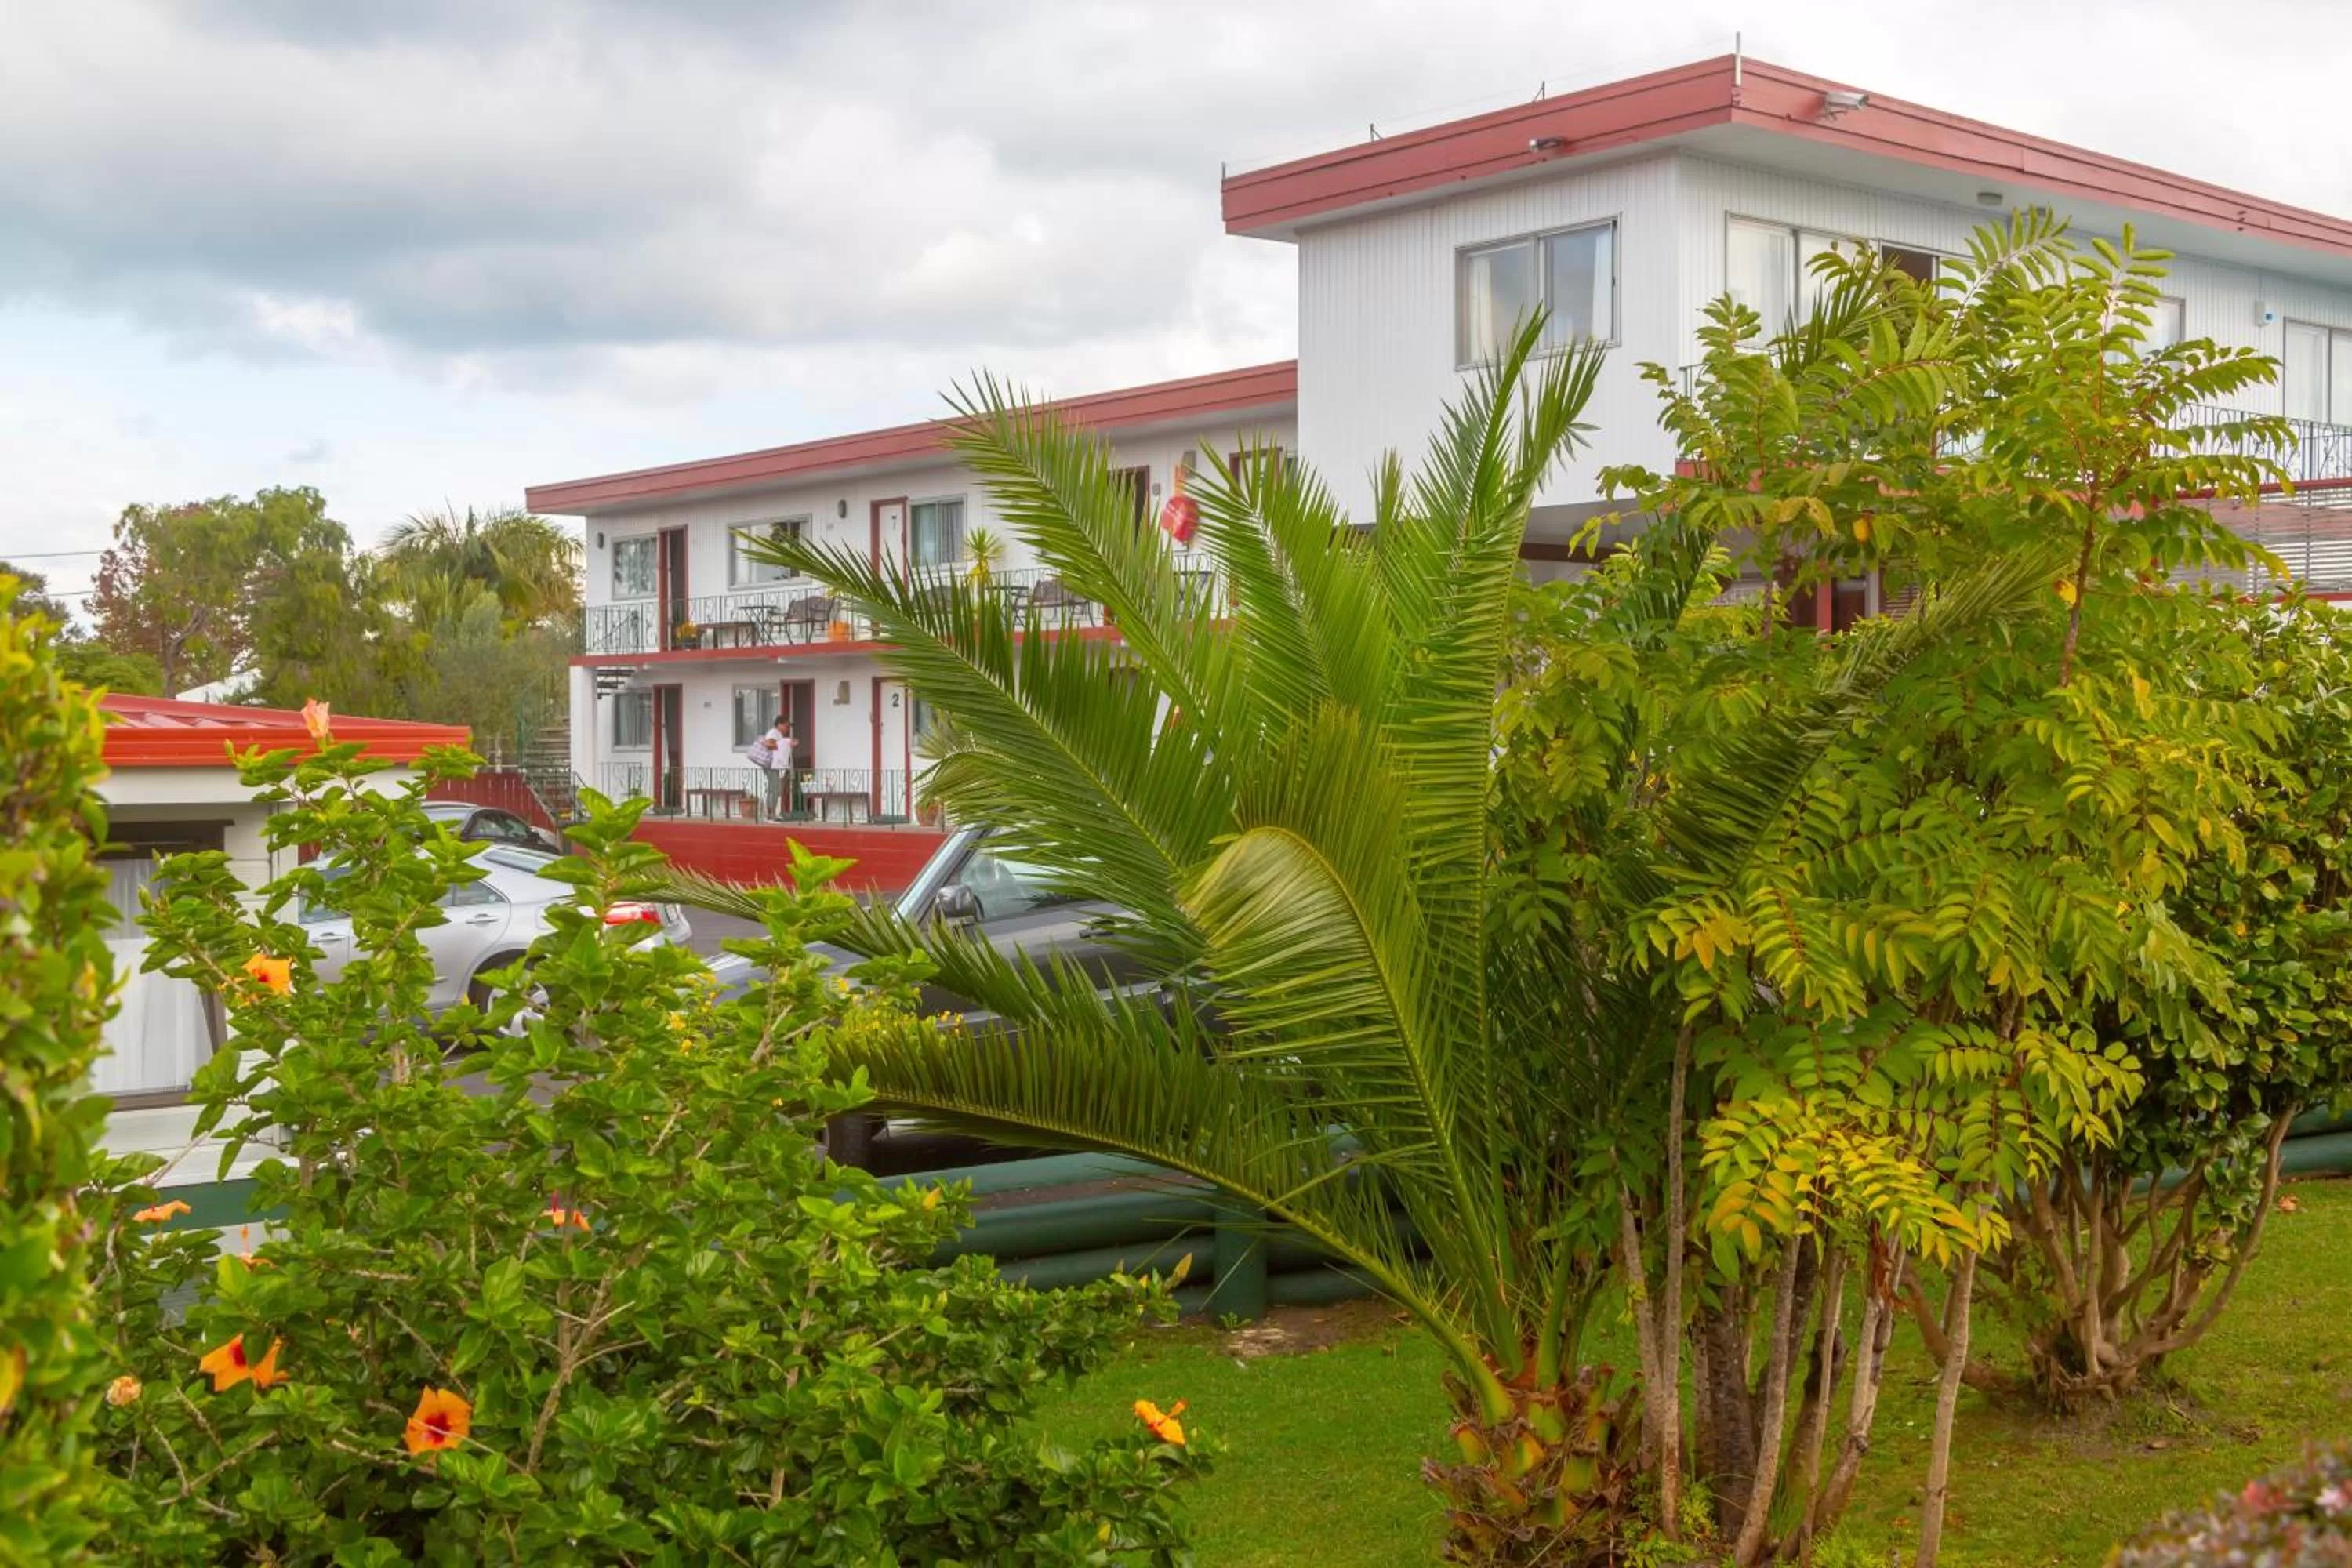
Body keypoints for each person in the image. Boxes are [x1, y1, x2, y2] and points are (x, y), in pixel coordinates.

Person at [744, 715, 797, 818]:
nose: (788, 729)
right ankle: (771, 813)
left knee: (776, 789)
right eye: (786, 726)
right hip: (771, 765)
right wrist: (786, 743)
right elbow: (769, 744)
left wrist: (786, 743)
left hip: (775, 765)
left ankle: (772, 812)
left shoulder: (779, 735)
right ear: (779, 724)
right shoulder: (773, 733)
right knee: (774, 789)